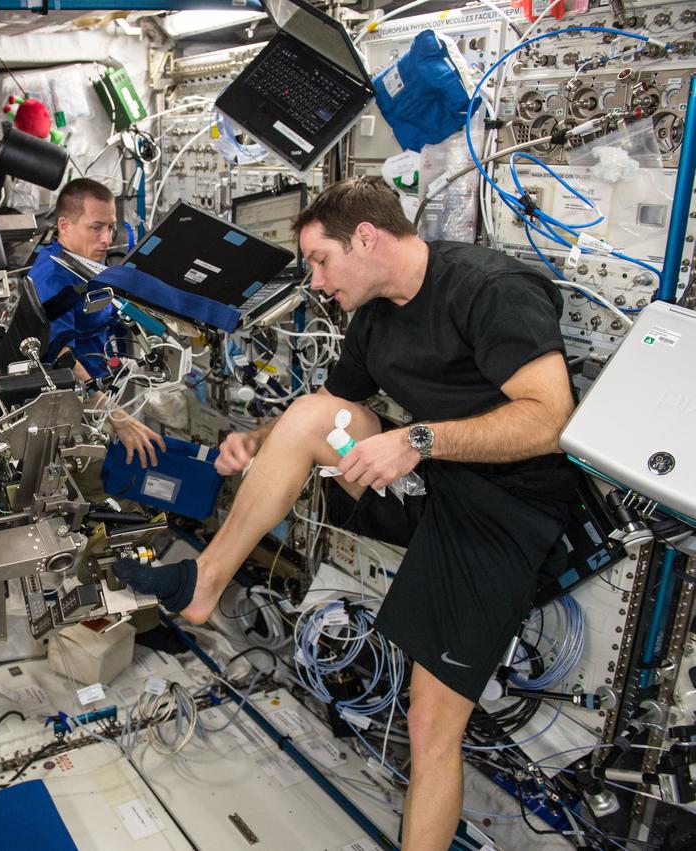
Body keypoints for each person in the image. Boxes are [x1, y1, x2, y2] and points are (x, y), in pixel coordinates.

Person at [114, 176, 579, 851]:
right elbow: (331, 404)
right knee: (311, 418)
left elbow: (548, 419)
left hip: (499, 516)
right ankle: (204, 580)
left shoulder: (488, 288)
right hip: (416, 485)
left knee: (429, 726)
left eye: (319, 259)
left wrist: (417, 439)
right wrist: (260, 440)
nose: (315, 278)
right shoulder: (374, 319)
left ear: (365, 238)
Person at [29, 177, 165, 467]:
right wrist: (110, 411)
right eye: (96, 227)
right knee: (103, 490)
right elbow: (58, 355)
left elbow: (107, 312)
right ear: (65, 226)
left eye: (110, 227)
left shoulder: (86, 263)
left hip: (102, 391)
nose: (107, 238)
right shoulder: (52, 277)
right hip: (75, 409)